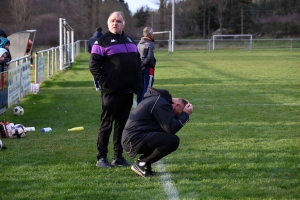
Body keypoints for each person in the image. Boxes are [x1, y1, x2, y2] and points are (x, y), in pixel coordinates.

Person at [89, 11, 142, 168]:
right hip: (111, 92)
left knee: (122, 125)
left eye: (118, 21)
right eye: (112, 20)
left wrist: (137, 83)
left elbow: (137, 63)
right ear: (108, 23)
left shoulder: (130, 40)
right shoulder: (101, 42)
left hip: (127, 91)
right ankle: (101, 158)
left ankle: (118, 156)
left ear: (123, 24)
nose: (115, 23)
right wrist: (106, 83)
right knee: (107, 125)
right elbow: (93, 66)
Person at [122, 87, 193, 178]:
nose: (176, 116)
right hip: (134, 139)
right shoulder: (161, 103)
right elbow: (172, 129)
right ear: (177, 105)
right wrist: (185, 115)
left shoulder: (159, 100)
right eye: (178, 114)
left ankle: (144, 164)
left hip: (135, 137)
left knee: (167, 137)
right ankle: (142, 163)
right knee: (173, 141)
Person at [137, 27, 156, 104]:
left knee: (140, 88)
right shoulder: (151, 44)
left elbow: (136, 57)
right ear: (150, 34)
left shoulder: (139, 44)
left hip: (140, 68)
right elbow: (149, 58)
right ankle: (144, 107)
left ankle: (139, 105)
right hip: (148, 68)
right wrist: (143, 65)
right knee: (147, 88)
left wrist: (140, 65)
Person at [88, 27, 103, 91]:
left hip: (94, 56)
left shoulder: (91, 39)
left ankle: (97, 86)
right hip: (102, 56)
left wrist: (92, 54)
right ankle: (103, 85)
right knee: (103, 70)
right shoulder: (104, 38)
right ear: (101, 31)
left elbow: (88, 49)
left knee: (95, 70)